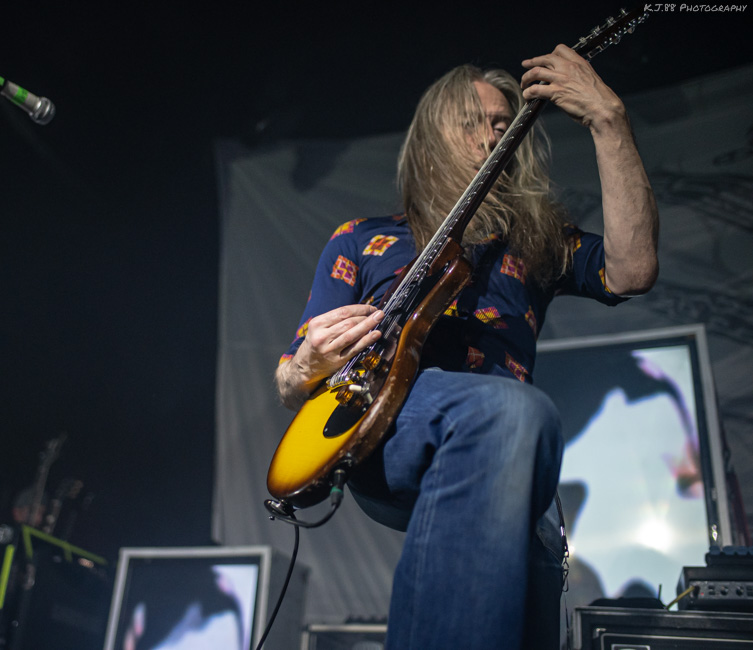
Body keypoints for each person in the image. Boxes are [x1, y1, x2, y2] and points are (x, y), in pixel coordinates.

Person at [274, 45, 659, 649]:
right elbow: (290, 380)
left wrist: (609, 120)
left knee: (527, 554)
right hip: (391, 420)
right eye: (473, 123)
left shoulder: (533, 240)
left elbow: (632, 270)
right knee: (515, 410)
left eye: (505, 126)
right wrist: (306, 363)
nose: (492, 137)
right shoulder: (362, 240)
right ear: (431, 139)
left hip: (508, 457)